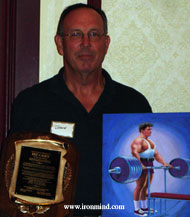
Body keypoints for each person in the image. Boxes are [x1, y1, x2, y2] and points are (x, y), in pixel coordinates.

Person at [9, 3, 152, 217]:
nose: (86, 43)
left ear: (106, 43)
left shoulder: (133, 104)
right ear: (60, 43)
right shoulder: (30, 103)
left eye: (94, 34)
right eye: (76, 34)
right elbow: (17, 185)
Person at [130, 122, 172, 216]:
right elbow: (135, 153)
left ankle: (145, 207)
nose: (151, 131)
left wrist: (164, 163)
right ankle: (137, 209)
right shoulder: (138, 141)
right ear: (142, 130)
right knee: (139, 186)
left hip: (150, 163)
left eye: (151, 129)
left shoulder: (151, 142)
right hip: (141, 164)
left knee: (146, 187)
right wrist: (140, 164)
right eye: (148, 129)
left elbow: (156, 154)